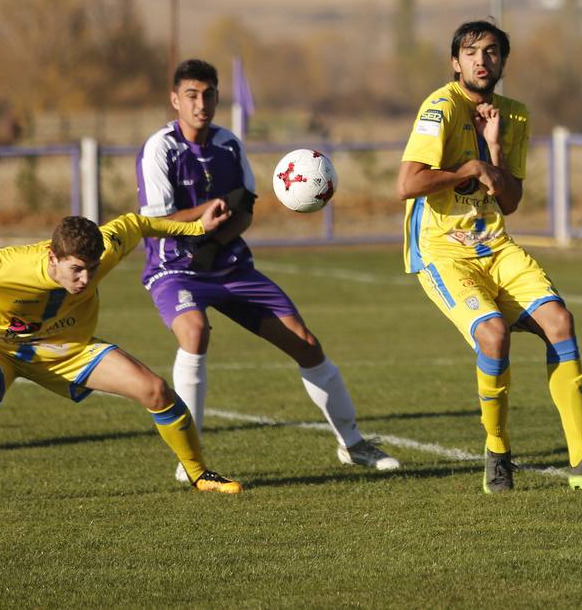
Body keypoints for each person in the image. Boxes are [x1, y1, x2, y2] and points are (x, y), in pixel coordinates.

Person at [138, 59, 399, 480]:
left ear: (219, 97)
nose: (201, 103)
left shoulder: (229, 145)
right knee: (194, 332)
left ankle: (353, 444)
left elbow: (245, 211)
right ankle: (191, 461)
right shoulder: (160, 148)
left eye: (208, 95)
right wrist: (202, 218)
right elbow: (154, 219)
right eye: (191, 95)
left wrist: (219, 239)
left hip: (230, 267)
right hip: (176, 269)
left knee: (306, 343)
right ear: (175, 100)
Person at [397, 20, 582, 493]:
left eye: (492, 52)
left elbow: (511, 201)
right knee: (494, 336)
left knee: (560, 321)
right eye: (471, 52)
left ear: (503, 61)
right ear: (455, 62)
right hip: (444, 253)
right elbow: (408, 184)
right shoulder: (440, 107)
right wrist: (468, 168)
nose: (482, 60)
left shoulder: (514, 115)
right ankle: (497, 450)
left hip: (497, 247)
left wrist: (494, 151)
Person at [0, 210, 243, 493]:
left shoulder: (108, 245)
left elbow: (137, 223)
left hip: (69, 350)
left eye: (92, 268)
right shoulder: (0, 268)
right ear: (53, 257)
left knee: (155, 390)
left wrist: (197, 228)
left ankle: (199, 475)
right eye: (77, 269)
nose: (85, 279)